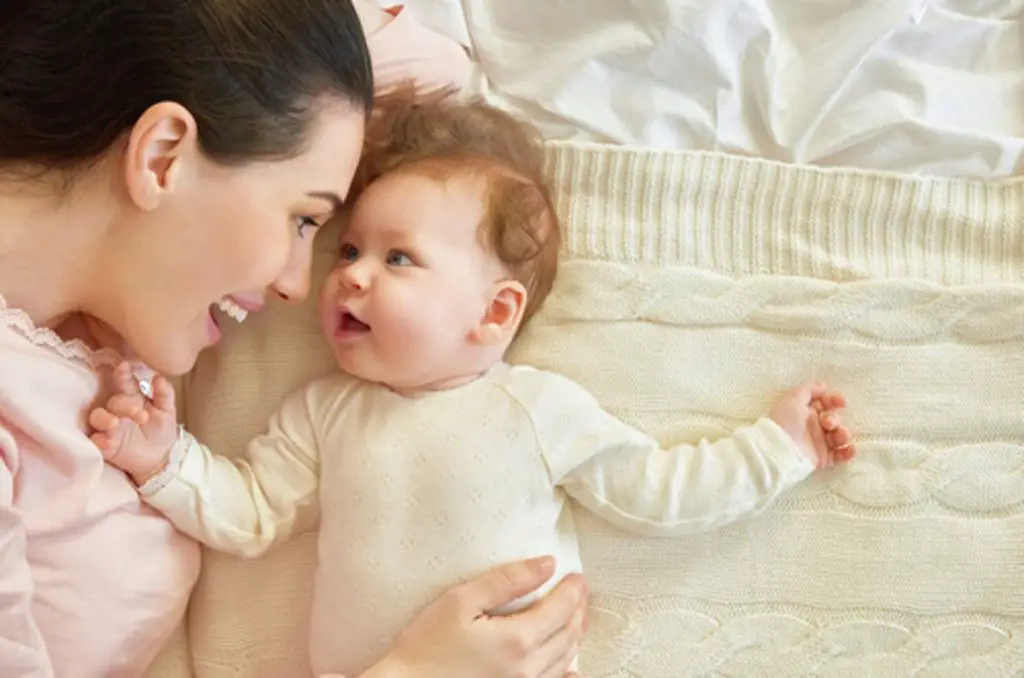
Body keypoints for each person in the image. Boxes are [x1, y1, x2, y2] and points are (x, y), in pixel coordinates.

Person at [89, 95, 857, 676]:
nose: (349, 273)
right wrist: (164, 460)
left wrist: (778, 447)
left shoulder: (534, 410)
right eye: (350, 248)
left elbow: (658, 489)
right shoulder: (325, 413)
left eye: (398, 259)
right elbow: (250, 512)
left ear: (492, 313)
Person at [0, 2, 585, 677]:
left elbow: (435, 74)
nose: (295, 288)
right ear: (162, 157)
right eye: (306, 219)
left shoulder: (97, 306)